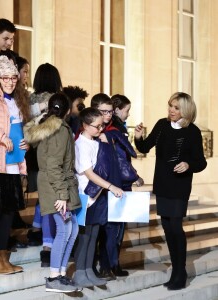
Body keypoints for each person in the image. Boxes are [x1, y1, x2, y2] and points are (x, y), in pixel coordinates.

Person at [134, 92, 207, 290]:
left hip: (180, 186)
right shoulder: (161, 125)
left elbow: (201, 162)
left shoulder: (192, 132)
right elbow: (145, 147)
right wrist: (138, 138)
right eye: (170, 106)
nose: (171, 110)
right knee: (167, 227)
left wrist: (187, 164)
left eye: (176, 107)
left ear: (186, 110)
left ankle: (180, 271)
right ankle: (176, 270)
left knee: (175, 226)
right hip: (163, 184)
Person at [24, 93, 81, 293]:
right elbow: (54, 165)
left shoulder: (49, 127)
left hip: (57, 184)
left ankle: (61, 273)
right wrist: (61, 194)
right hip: (56, 186)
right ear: (67, 111)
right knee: (64, 230)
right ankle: (54, 276)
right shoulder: (60, 130)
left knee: (72, 230)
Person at [0, 55, 30, 274]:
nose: (10, 81)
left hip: (14, 163)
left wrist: (25, 144)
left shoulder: (17, 100)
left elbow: (19, 128)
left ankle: (2, 256)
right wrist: (2, 137)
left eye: (13, 77)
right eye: (5, 77)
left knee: (9, 213)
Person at [73, 107, 123, 288]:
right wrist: (111, 186)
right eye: (97, 126)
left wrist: (105, 143)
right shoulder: (80, 144)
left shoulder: (96, 141)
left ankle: (88, 271)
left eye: (102, 126)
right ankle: (79, 272)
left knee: (94, 235)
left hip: (99, 194)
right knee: (85, 236)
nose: (100, 129)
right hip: (87, 195)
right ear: (85, 125)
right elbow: (89, 173)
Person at [26, 63, 63, 266]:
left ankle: (37, 228)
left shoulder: (31, 98)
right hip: (50, 149)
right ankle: (42, 233)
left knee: (42, 192)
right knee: (46, 194)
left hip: (33, 150)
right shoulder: (56, 100)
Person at [90, 93, 129, 280]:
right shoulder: (88, 131)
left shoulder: (113, 130)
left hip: (113, 185)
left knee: (111, 229)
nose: (108, 115)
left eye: (110, 111)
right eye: (104, 111)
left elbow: (124, 156)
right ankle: (90, 266)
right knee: (94, 230)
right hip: (94, 186)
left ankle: (107, 265)